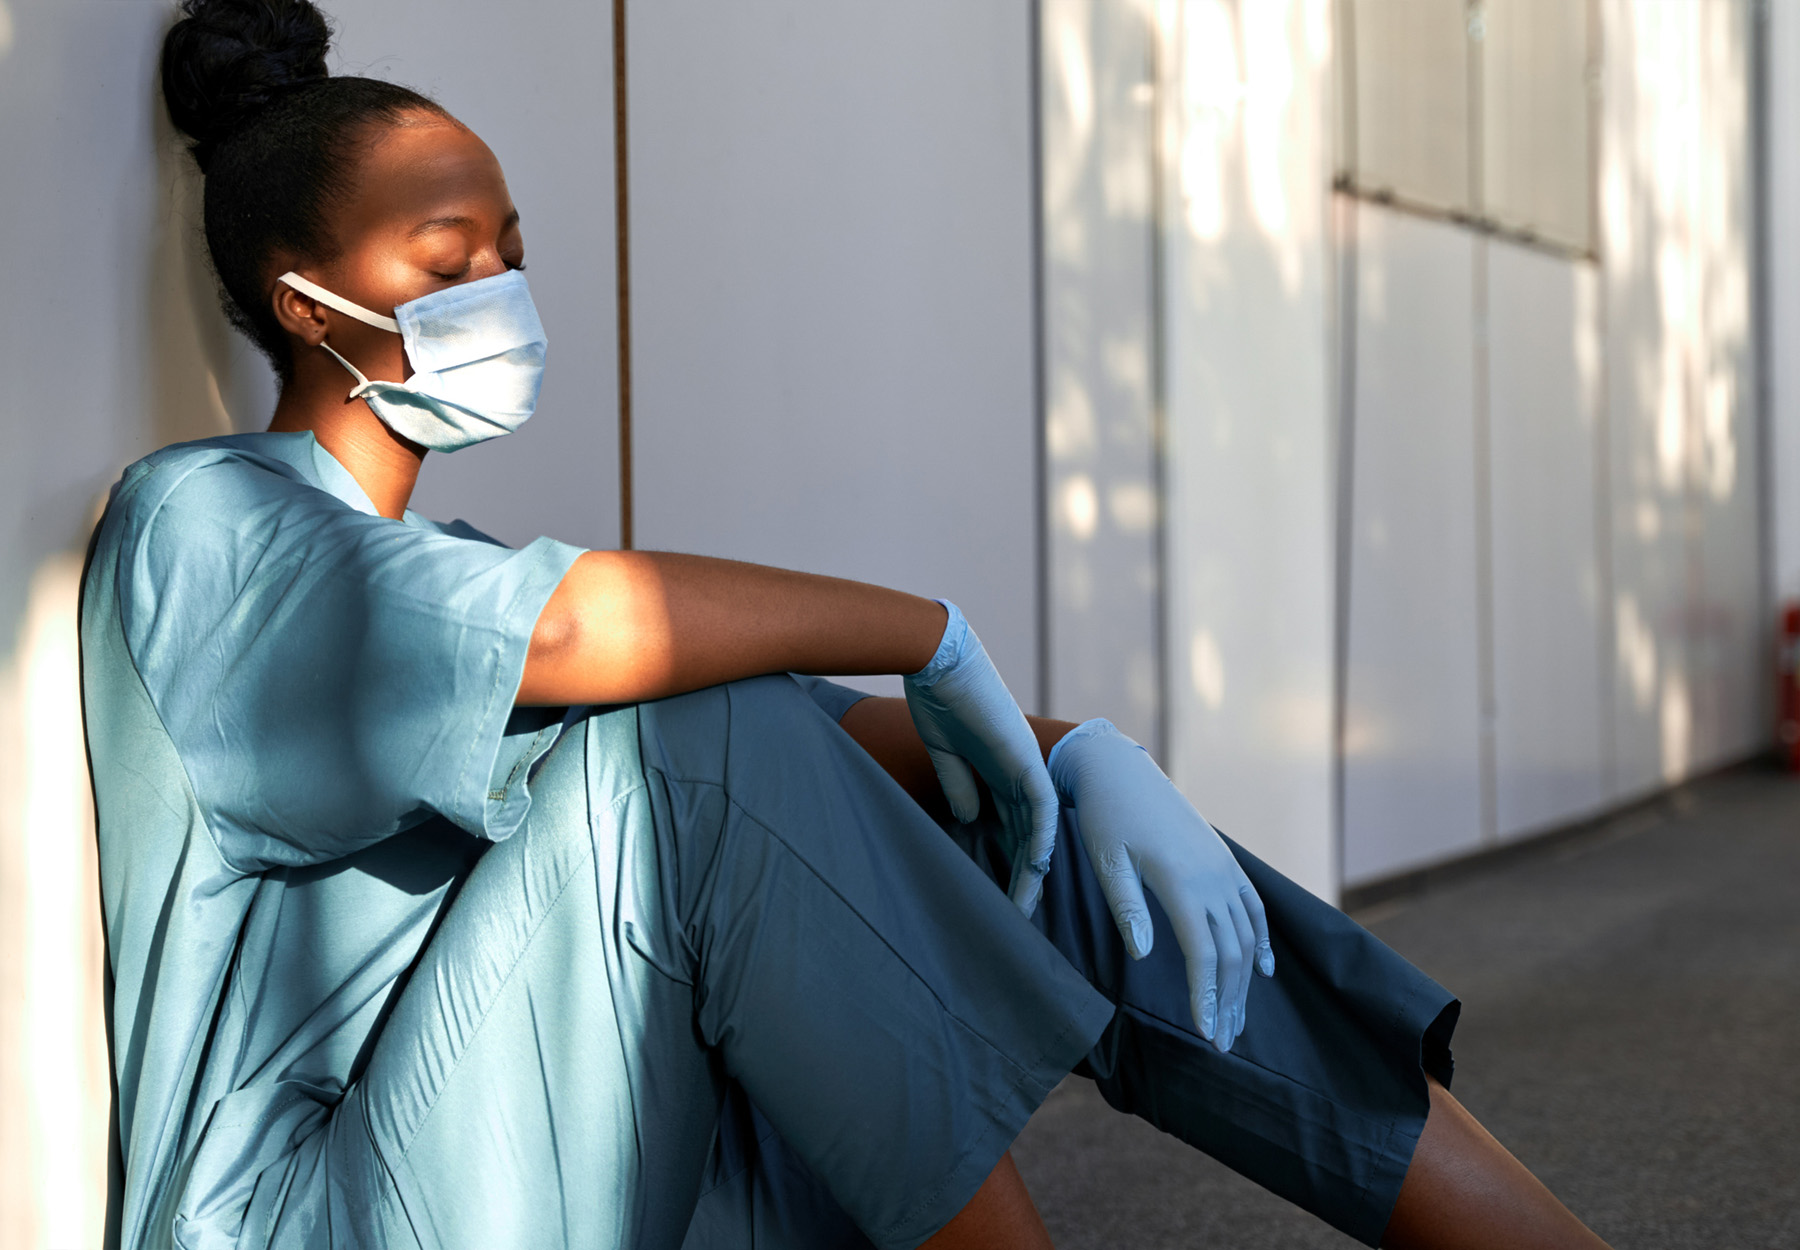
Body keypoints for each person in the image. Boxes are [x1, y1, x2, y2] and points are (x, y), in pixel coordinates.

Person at [81, 1, 1616, 1247]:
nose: (498, 286)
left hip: (577, 1143)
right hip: (323, 1205)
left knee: (1042, 824)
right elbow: (586, 645)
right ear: (304, 299)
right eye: (444, 260)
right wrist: (929, 630)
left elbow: (822, 761)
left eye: (511, 248)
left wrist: (1074, 757)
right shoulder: (210, 524)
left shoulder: (454, 563)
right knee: (692, 734)